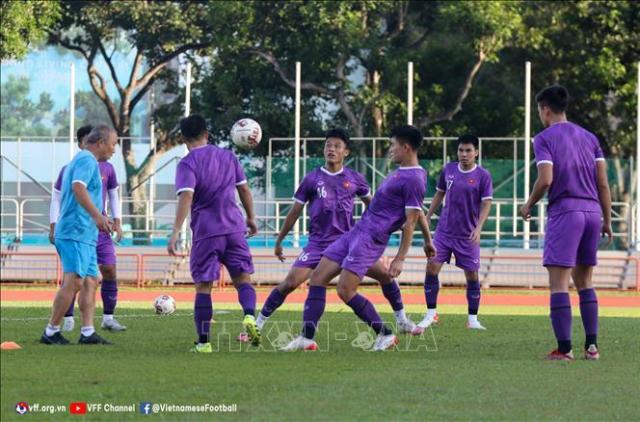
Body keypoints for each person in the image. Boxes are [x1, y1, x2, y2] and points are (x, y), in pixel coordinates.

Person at [254, 128, 421, 338]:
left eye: (337, 146)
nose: (331, 149)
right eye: (328, 145)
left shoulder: (355, 179)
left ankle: (402, 320)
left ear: (346, 152)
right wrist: (279, 241)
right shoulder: (311, 179)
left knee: (385, 276)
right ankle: (258, 325)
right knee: (290, 283)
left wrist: (379, 231)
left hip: (349, 242)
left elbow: (375, 208)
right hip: (318, 244)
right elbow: (294, 213)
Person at [520, 85, 612, 361]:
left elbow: (546, 179)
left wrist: (529, 204)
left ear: (545, 109)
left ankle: (564, 348)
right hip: (593, 212)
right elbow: (603, 183)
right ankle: (592, 347)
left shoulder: (544, 138)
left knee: (559, 284)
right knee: (585, 281)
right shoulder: (589, 137)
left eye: (539, 110)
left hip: (566, 211)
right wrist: (607, 219)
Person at [168, 114, 260, 353]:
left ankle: (204, 343)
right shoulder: (228, 156)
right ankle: (250, 316)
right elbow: (244, 190)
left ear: (184, 139)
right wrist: (250, 218)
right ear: (207, 134)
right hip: (235, 228)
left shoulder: (187, 164)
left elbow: (186, 196)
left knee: (204, 287)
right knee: (243, 280)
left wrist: (176, 230)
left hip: (208, 232)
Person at [40, 124, 118, 345]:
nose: (114, 150)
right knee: (74, 281)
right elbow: (78, 187)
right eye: (113, 144)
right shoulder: (86, 160)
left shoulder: (82, 160)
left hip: (85, 233)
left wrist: (99, 219)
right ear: (101, 143)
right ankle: (51, 331)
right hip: (74, 231)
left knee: (91, 281)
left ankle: (87, 332)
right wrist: (97, 216)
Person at [419, 135, 493, 330]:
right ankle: (431, 314)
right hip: (444, 232)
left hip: (468, 235)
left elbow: (487, 203)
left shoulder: (483, 176)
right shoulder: (448, 170)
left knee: (472, 277)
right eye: (461, 150)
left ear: (476, 152)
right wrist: (428, 215)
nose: (464, 154)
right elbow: (439, 193)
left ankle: (472, 319)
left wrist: (478, 228)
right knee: (431, 268)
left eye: (468, 150)